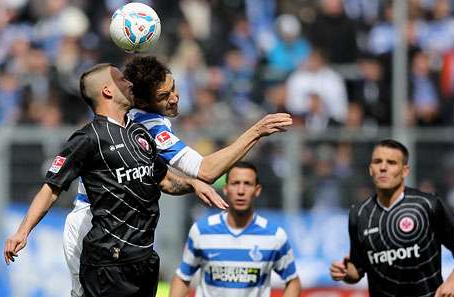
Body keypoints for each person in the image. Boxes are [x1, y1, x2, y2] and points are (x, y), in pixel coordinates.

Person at [63, 55, 294, 297]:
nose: (174, 98)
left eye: (173, 88)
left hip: (123, 231)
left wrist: (192, 184)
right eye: (163, 96)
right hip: (96, 224)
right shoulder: (148, 126)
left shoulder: (136, 117)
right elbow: (207, 170)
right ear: (141, 101)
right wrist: (256, 131)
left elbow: (158, 176)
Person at [4, 63, 228, 297]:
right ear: (107, 91)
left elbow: (162, 180)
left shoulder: (140, 132)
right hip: (101, 244)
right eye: (122, 81)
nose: (130, 83)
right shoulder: (88, 138)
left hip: (141, 251)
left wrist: (193, 184)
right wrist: (22, 231)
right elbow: (51, 187)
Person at [329, 139, 454, 297]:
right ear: (370, 169)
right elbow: (358, 270)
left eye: (391, 163)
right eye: (377, 162)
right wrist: (346, 272)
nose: (383, 167)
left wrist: (453, 281)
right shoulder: (358, 214)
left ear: (405, 171)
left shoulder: (427, 205)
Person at [170, 161, 302, 297]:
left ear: (257, 190)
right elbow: (182, 277)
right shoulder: (202, 231)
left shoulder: (274, 235)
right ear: (226, 189)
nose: (241, 191)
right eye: (235, 183)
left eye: (247, 184)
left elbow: (293, 281)